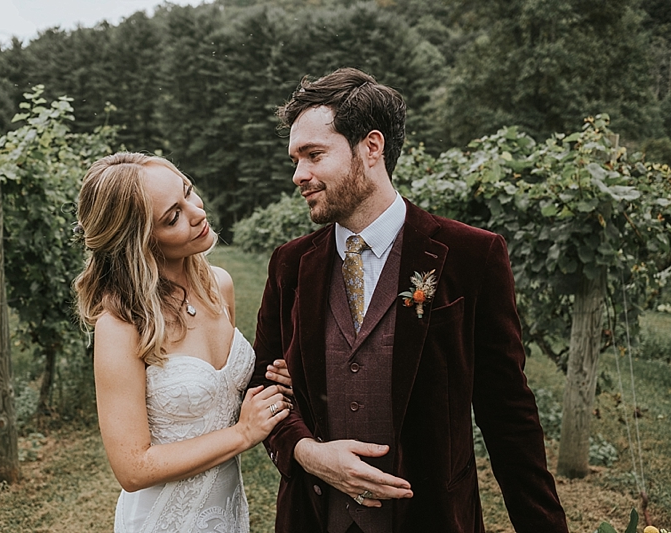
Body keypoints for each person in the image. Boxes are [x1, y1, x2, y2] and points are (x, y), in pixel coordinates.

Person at [253, 68, 569, 532]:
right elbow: (262, 386)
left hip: (432, 518)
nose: (299, 175)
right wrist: (306, 452)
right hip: (313, 517)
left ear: (371, 147)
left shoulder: (471, 255)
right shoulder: (290, 263)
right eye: (295, 159)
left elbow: (509, 415)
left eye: (314, 155)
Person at [73, 152, 292, 533]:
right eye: (173, 217)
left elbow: (222, 397)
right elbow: (133, 468)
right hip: (164, 520)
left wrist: (281, 380)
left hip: (227, 512)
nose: (197, 213)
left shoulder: (218, 285)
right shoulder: (122, 325)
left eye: (189, 192)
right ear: (138, 241)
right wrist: (242, 434)